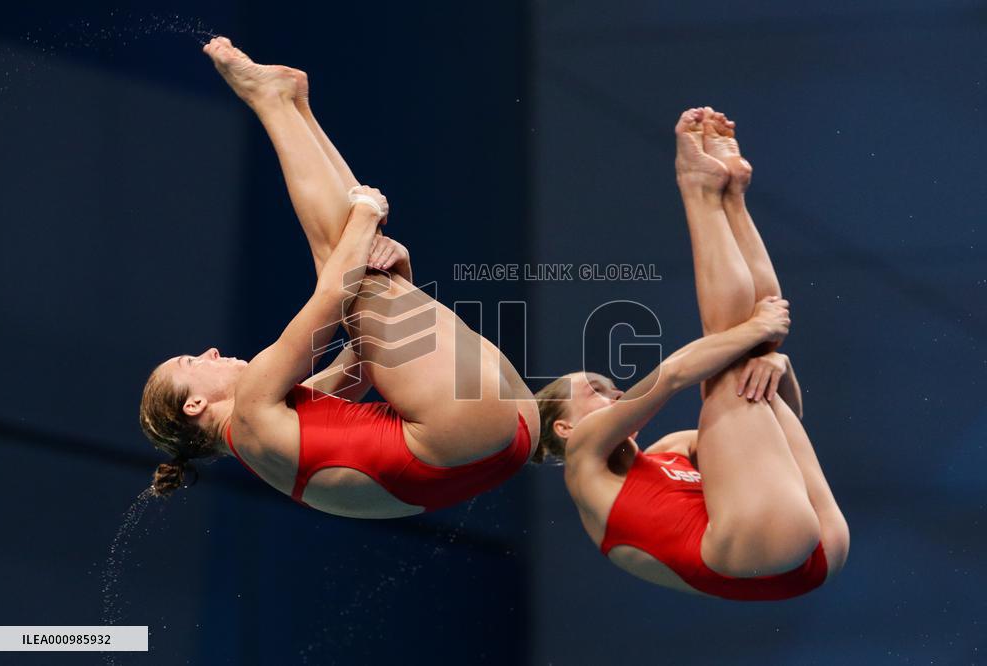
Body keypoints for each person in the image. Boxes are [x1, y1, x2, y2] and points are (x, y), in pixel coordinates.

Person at [139, 37, 539, 518]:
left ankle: (291, 105)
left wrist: (401, 277)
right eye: (189, 362)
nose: (208, 352)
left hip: (499, 441)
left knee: (359, 275)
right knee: (343, 264)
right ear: (195, 405)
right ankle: (274, 102)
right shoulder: (248, 411)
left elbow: (361, 366)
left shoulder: (267, 436)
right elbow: (332, 294)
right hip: (464, 432)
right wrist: (367, 212)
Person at [533, 108, 849, 600]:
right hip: (756, 557)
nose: (614, 392)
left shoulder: (672, 450)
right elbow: (674, 374)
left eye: (610, 385)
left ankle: (731, 198)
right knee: (727, 365)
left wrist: (778, 366)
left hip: (805, 552)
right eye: (594, 391)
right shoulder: (584, 456)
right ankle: (700, 189)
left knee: (748, 368)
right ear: (564, 426)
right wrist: (756, 333)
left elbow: (778, 436)